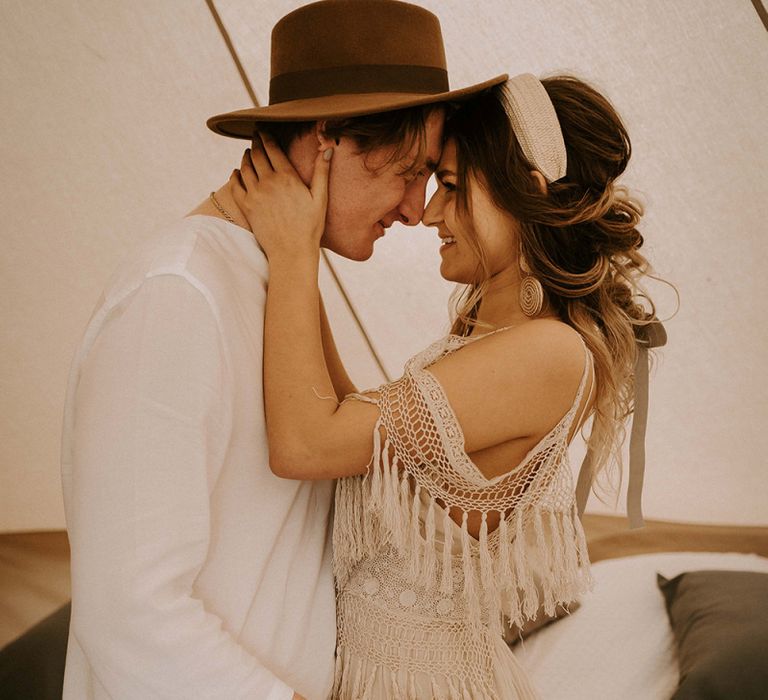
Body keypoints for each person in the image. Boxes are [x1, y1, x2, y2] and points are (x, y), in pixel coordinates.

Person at [59, 1, 506, 699]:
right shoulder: (175, 292)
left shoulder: (276, 280)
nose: (416, 209)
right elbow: (130, 612)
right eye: (407, 170)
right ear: (325, 139)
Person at [231, 72, 664, 698]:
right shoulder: (490, 334)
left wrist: (295, 254)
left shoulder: (549, 351)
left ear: (527, 195)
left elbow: (305, 445)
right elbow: (353, 433)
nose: (429, 210)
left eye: (453, 187)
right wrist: (295, 249)